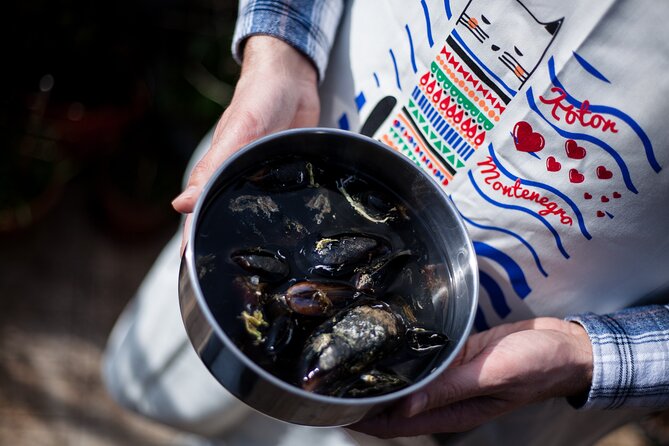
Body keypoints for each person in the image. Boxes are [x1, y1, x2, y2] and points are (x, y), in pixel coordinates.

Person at [103, 0, 669, 444]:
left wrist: (590, 356)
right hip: (320, 117)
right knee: (156, 385)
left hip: (519, 351)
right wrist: (279, 53)